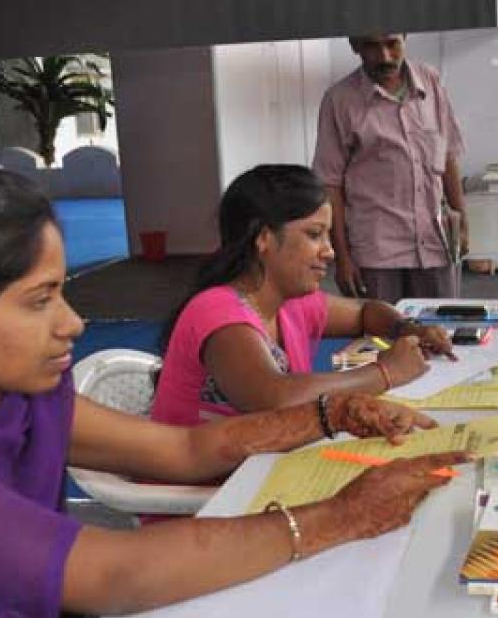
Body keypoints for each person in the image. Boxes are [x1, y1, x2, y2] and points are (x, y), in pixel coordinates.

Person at [0, 162, 469, 618]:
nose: (74, 323)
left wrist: (331, 415)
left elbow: (183, 449)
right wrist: (342, 515)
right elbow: (115, 572)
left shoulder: (28, 397)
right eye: (40, 301)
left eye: (62, 292)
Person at [152, 164, 455, 427]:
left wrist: (409, 329)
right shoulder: (217, 311)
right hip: (208, 487)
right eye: (314, 235)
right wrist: (386, 371)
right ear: (263, 238)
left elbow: (366, 313)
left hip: (253, 463)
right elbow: (276, 398)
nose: (330, 251)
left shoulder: (290, 302)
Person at [313, 33, 467, 303]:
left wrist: (462, 220)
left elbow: (448, 154)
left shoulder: (430, 82)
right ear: (354, 45)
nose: (384, 56)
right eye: (372, 46)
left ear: (405, 37)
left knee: (442, 333)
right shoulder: (340, 100)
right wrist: (342, 257)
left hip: (435, 241)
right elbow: (330, 184)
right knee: (380, 340)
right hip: (376, 251)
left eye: (392, 43)